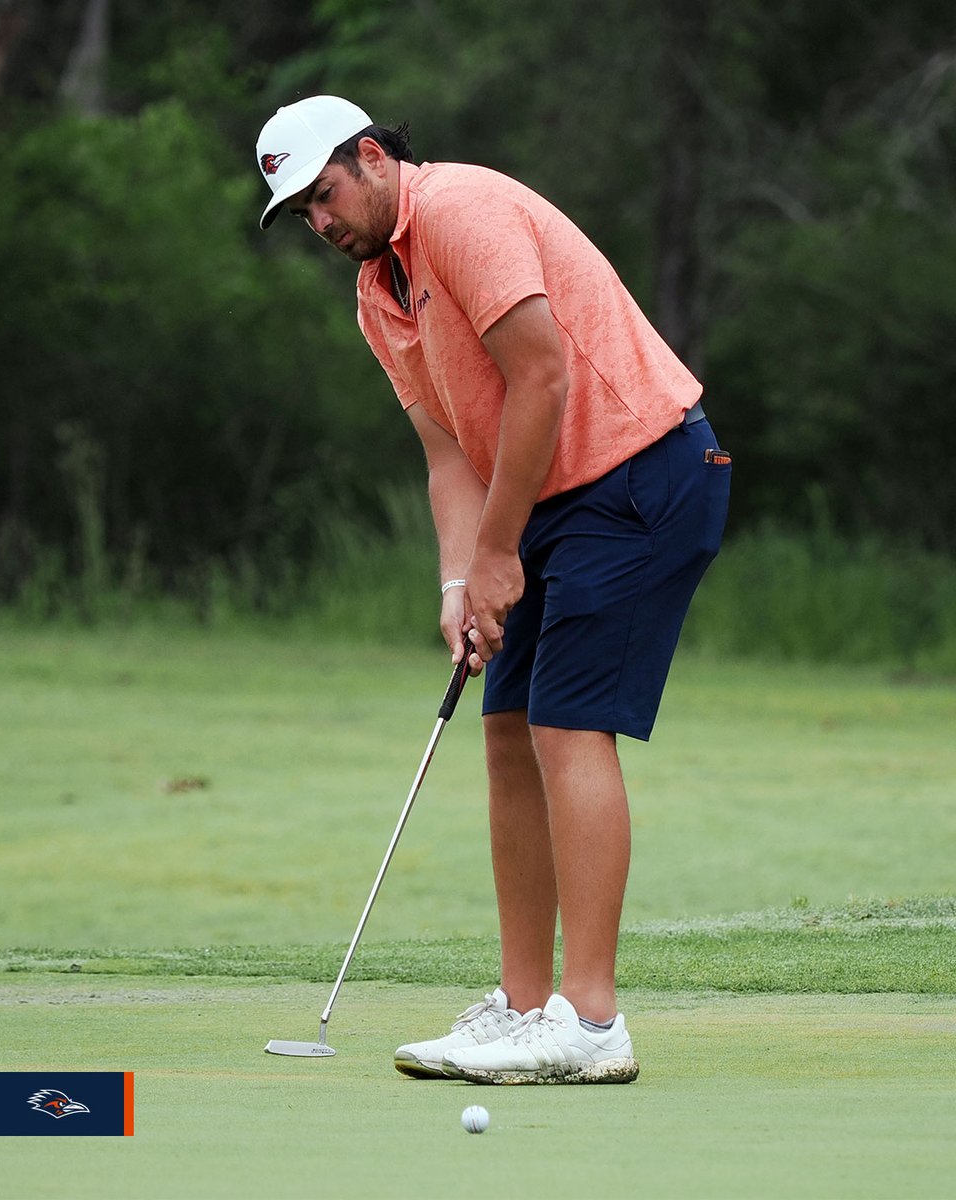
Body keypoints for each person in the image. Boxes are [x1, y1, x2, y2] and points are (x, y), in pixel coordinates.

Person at [255, 95, 731, 1085]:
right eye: (300, 212)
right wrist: (462, 575)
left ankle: (591, 1024)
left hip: (638, 471)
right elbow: (447, 456)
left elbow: (543, 377)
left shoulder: (460, 212)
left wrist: (503, 552)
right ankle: (523, 1011)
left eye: (324, 193)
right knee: (506, 730)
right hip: (552, 495)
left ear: (375, 158)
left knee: (565, 728)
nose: (320, 220)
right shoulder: (378, 294)